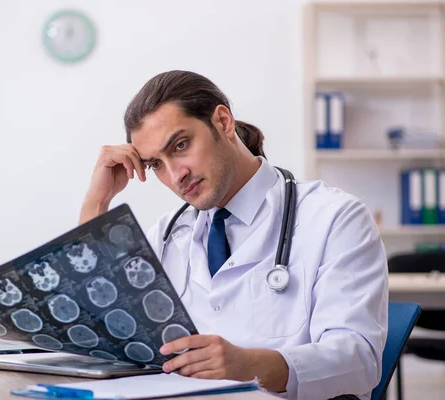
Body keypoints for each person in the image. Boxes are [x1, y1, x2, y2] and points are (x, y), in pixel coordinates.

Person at [79, 70, 388, 400]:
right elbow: (98, 324)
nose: (175, 175)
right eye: (155, 164)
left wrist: (250, 364)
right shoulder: (171, 234)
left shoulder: (333, 218)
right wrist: (97, 201)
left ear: (223, 122)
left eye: (180, 145)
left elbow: (359, 360)